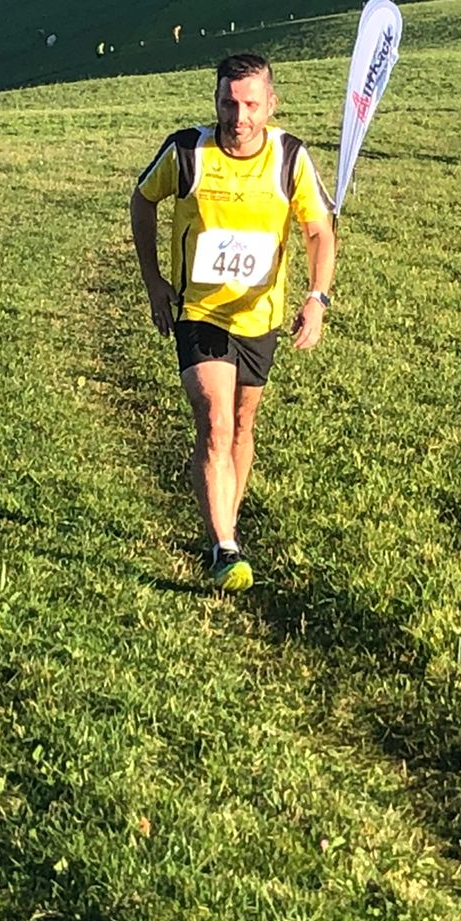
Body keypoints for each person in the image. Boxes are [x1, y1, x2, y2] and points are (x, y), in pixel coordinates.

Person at [131, 54, 336, 592]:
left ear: (271, 104)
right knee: (216, 423)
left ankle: (228, 524)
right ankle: (224, 546)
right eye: (228, 103)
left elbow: (319, 229)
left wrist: (317, 297)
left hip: (259, 316)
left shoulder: (289, 157)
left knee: (243, 426)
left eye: (250, 104)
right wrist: (154, 280)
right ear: (216, 101)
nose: (238, 116)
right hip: (199, 312)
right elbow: (143, 199)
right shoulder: (188, 151)